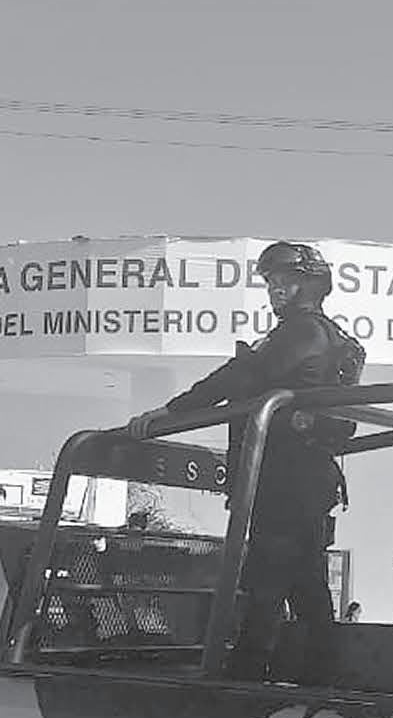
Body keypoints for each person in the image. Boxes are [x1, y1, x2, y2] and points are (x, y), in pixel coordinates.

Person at [126, 241, 365, 682]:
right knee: (305, 581)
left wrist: (172, 411)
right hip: (305, 478)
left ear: (312, 284)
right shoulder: (323, 336)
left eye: (286, 280)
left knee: (267, 581)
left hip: (285, 479)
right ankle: (321, 677)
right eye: (272, 281)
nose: (276, 288)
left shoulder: (302, 334)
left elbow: (239, 377)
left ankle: (245, 678)